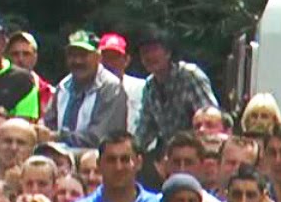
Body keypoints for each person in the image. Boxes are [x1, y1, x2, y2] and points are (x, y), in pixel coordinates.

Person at [133, 31, 219, 160]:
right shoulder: (149, 87)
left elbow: (211, 119)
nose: (149, 56)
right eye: (145, 52)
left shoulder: (190, 75)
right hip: (171, 155)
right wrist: (131, 153)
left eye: (154, 50)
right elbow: (144, 130)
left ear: (168, 53)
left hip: (201, 153)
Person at [52, 31, 127, 150]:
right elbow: (49, 123)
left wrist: (59, 137)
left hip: (95, 160)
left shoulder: (110, 87)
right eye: (72, 55)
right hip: (60, 158)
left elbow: (99, 138)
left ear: (98, 57)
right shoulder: (62, 86)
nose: (77, 61)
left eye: (83, 55)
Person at [98, 33, 146, 136]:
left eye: (114, 57)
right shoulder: (91, 90)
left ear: (126, 60)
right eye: (105, 58)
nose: (109, 63)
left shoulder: (142, 87)